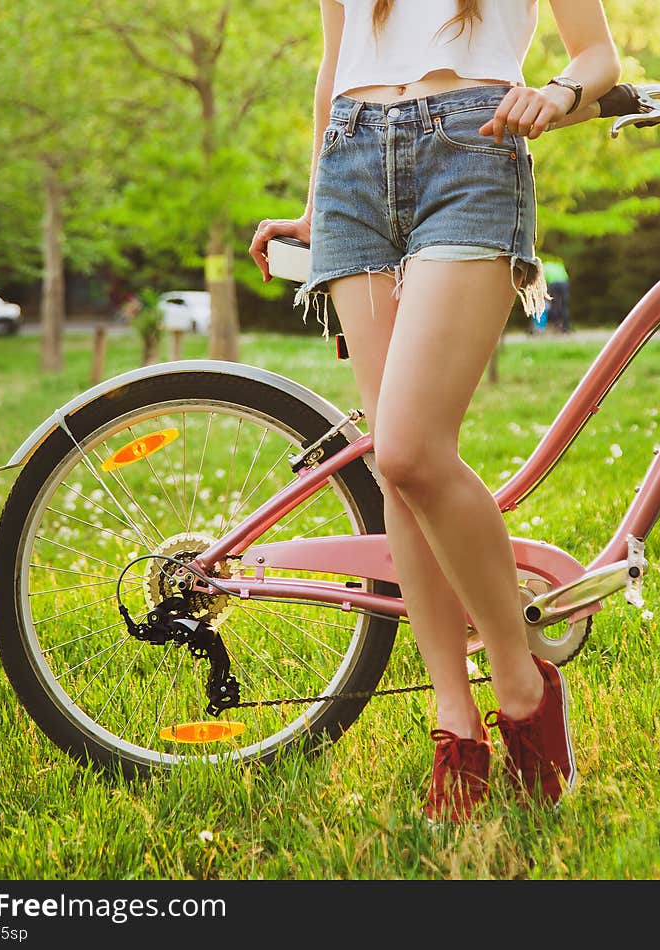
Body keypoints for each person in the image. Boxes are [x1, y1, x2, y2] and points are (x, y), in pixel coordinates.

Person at [250, 0, 620, 823]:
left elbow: (598, 54)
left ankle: (522, 684)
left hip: (472, 147)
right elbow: (333, 62)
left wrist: (557, 93)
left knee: (414, 448)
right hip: (349, 160)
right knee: (395, 465)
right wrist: (315, 205)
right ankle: (454, 719)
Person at [544, 257, 571, 332]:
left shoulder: (544, 265)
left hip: (553, 283)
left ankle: (556, 325)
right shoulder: (559, 265)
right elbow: (565, 276)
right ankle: (566, 326)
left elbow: (543, 280)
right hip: (564, 283)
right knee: (564, 305)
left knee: (554, 304)